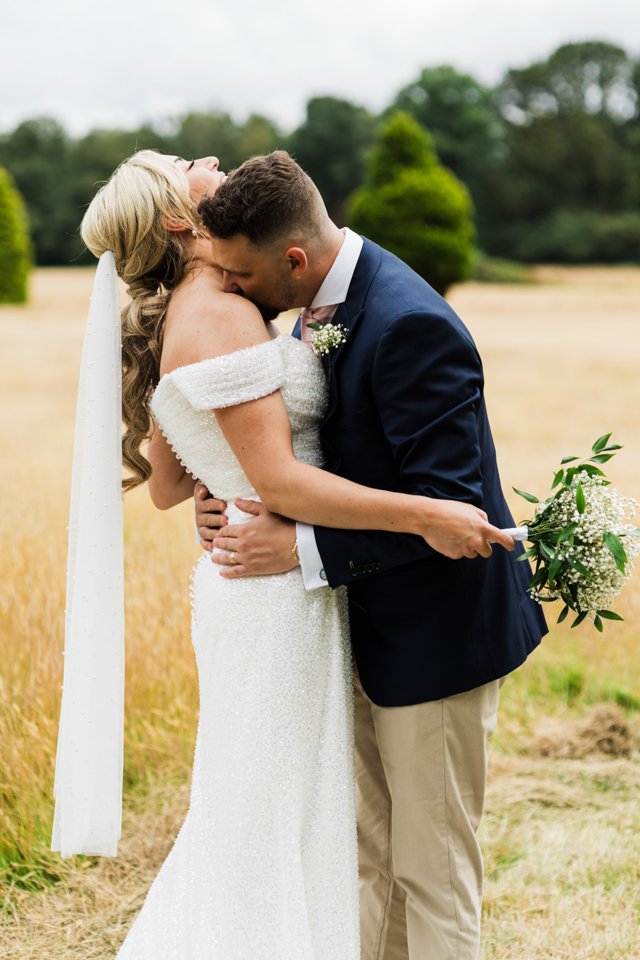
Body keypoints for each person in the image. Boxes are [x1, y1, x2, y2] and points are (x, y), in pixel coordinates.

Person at [52, 149, 516, 960]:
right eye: (183, 161)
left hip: (353, 606)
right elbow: (277, 476)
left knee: (352, 847)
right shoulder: (235, 299)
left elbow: (169, 482)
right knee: (307, 835)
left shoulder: (237, 294)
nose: (206, 158)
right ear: (176, 218)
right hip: (280, 598)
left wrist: (227, 490)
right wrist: (252, 494)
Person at [194, 150, 549, 960]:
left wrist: (300, 548)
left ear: (293, 259)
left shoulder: (410, 323)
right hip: (365, 633)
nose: (234, 293)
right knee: (371, 864)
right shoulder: (315, 298)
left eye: (242, 276)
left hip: (438, 642)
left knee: (433, 874)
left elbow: (450, 514)